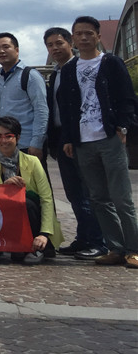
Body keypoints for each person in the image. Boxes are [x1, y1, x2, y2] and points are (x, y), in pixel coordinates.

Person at [57, 15, 138, 269]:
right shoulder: (69, 69)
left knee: (121, 197)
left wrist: (123, 127)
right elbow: (66, 107)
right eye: (79, 33)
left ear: (98, 36)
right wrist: (69, 138)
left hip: (109, 137)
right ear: (73, 38)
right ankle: (115, 248)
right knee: (98, 198)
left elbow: (127, 97)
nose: (83, 38)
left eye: (89, 33)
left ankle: (134, 249)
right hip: (83, 141)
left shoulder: (111, 63)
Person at [43, 26, 105, 260]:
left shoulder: (80, 68)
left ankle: (98, 242)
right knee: (74, 193)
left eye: (59, 43)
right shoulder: (56, 74)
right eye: (50, 45)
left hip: (82, 137)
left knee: (89, 191)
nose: (55, 48)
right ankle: (84, 237)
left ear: (71, 43)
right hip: (62, 137)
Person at [0, 116, 62, 264]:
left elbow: (46, 198)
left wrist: (44, 234)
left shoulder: (33, 161)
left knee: (26, 202)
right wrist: (5, 188)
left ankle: (38, 247)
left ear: (18, 137)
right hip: (10, 217)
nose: (3, 141)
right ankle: (15, 243)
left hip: (34, 218)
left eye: (8, 136)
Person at [0, 32, 48, 156]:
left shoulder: (30, 76)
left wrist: (37, 143)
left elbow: (41, 110)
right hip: (4, 145)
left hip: (27, 144)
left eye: (6, 47)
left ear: (17, 50)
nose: (1, 51)